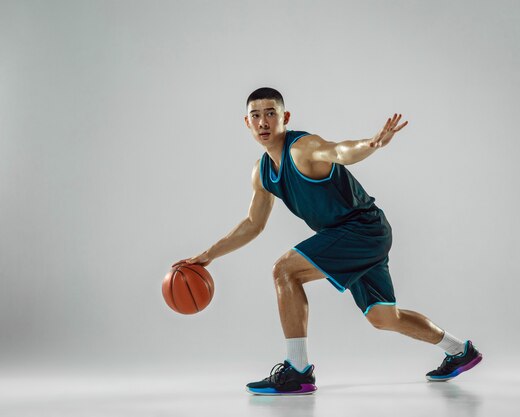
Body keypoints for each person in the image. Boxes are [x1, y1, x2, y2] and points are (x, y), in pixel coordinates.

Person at [172, 87, 482, 395]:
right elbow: (253, 224)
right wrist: (208, 255)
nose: (263, 122)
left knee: (285, 270)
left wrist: (371, 144)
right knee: (385, 317)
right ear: (247, 122)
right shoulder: (263, 171)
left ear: (285, 117)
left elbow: (338, 151)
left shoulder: (302, 149)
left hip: (362, 228)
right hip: (353, 235)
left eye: (270, 114)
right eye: (256, 116)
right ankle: (460, 350)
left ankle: (297, 371)